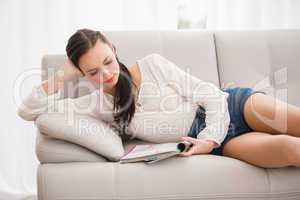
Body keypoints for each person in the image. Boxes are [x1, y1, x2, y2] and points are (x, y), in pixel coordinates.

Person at [17, 28, 300, 168]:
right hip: (217, 141)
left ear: (114, 49)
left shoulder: (152, 64)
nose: (106, 74)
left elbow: (211, 96)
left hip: (232, 106)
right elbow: (33, 114)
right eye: (92, 71)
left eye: (107, 61)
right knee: (290, 150)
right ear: (81, 72)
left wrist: (209, 140)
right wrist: (61, 77)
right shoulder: (96, 105)